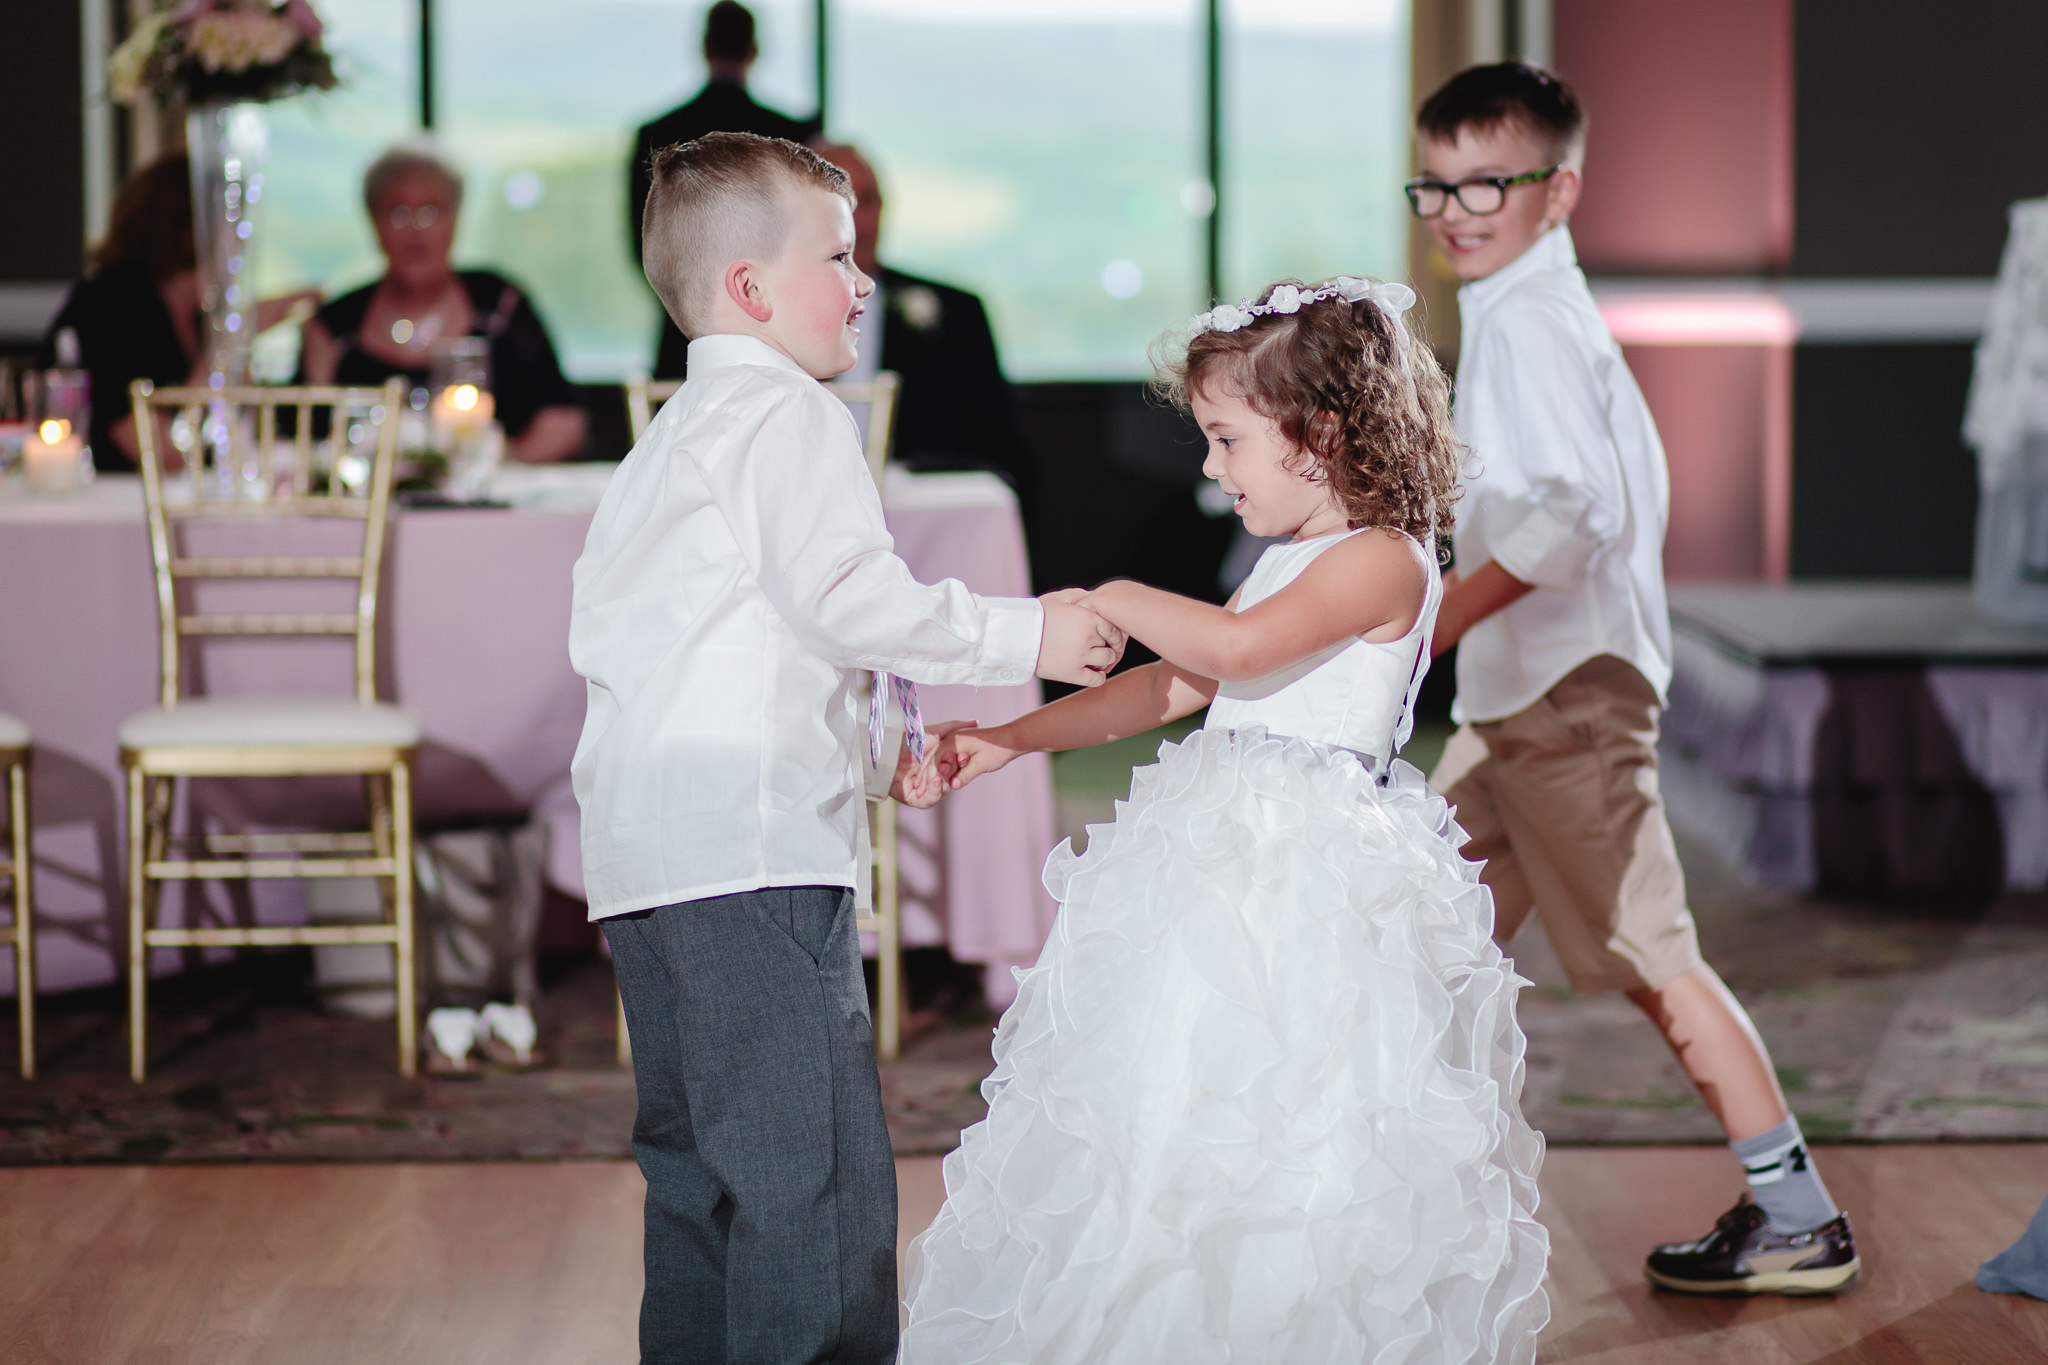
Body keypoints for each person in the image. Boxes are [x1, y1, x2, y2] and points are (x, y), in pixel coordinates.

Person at [901, 277, 1549, 1362]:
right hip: (1216, 853)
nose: (1209, 467)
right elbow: (1173, 686)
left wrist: (1109, 591)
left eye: (1224, 440)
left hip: (1307, 872)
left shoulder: (1383, 555)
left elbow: (1237, 654)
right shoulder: (1288, 556)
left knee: (1293, 1112)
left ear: (1320, 433)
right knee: (1170, 1097)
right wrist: (1008, 740)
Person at [569, 131, 1125, 1365]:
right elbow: (849, 600)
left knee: (698, 1182)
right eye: (837, 254)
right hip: (752, 858)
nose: (864, 282)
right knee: (810, 1192)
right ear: (750, 292)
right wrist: (1026, 629)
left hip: (649, 869)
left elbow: (724, 645)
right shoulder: (789, 414)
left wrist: (881, 745)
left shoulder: (664, 440)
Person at [1412, 62, 1860, 1295]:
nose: (1454, 210)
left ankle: (1798, 1216)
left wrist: (1428, 622)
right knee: (1422, 934)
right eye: (1435, 186)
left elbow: (1570, 515)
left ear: (1556, 192)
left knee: (1653, 962)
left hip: (1568, 698)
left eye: (1484, 185)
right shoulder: (1514, 308)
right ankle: (1396, 1198)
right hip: (1521, 701)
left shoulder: (1533, 323)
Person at [299, 144, 587, 464]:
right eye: (398, 212)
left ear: (456, 217)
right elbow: (298, 440)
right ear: (373, 221)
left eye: (431, 211)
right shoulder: (334, 326)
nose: (415, 230)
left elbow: (565, 423)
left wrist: (496, 463)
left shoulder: (498, 306)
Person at [37, 153, 315, 469]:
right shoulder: (115, 301)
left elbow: (236, 438)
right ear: (191, 227)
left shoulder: (200, 315)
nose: (241, 244)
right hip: (109, 503)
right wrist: (232, 340)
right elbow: (156, 451)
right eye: (233, 225)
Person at [810, 141, 1034, 495]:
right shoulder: (756, 315)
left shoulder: (957, 313)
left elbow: (1003, 455)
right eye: (835, 203)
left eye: (865, 201)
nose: (854, 222)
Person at [630, 0, 821, 377]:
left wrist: (688, 299)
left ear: (703, 46)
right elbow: (809, 238)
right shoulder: (791, 135)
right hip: (772, 328)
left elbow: (640, 241)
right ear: (755, 50)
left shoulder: (657, 133)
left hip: (683, 332)